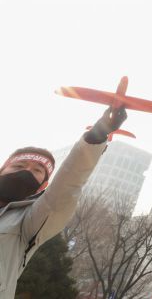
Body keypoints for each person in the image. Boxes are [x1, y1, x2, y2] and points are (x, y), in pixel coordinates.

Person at [0, 106, 125, 299]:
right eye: (18, 166)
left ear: (43, 186)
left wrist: (97, 136)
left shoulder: (28, 222)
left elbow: (67, 185)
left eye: (36, 171)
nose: (25, 171)